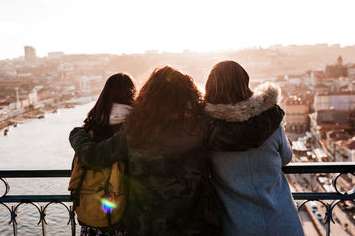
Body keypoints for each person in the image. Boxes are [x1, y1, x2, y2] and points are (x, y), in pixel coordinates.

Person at [69, 65, 286, 235]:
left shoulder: (135, 128)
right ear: (188, 93)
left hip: (146, 226)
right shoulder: (199, 124)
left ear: (148, 95)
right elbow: (245, 137)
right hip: (196, 225)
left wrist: (77, 135)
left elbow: (95, 156)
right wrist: (273, 111)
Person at [203, 60, 304, 236]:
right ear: (245, 83)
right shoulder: (270, 121)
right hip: (283, 223)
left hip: (239, 227)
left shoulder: (208, 132)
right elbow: (286, 158)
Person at [68, 73, 136, 236]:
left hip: (90, 214)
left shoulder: (90, 128)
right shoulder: (131, 131)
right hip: (120, 217)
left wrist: (76, 134)